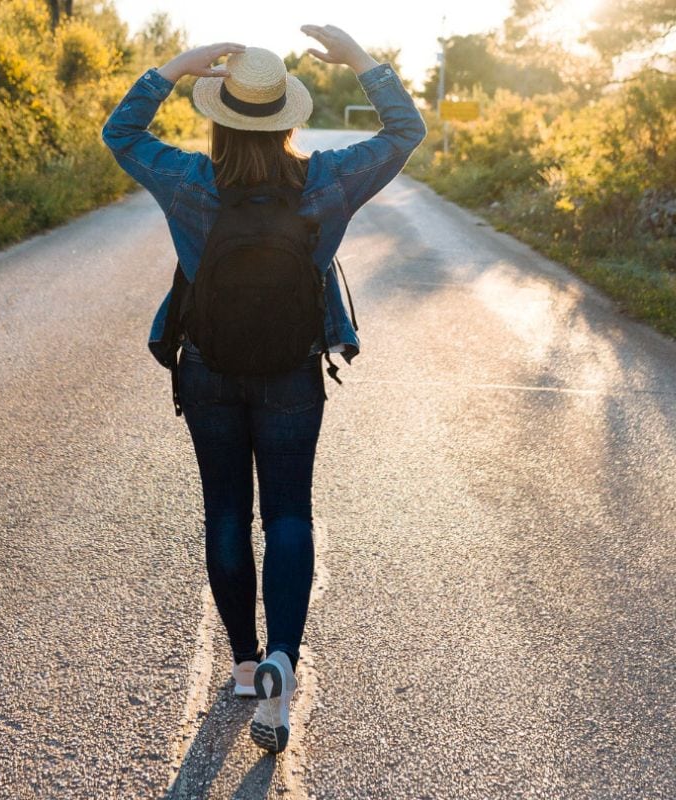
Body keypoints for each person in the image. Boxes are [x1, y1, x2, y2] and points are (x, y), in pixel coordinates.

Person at [101, 24, 426, 753]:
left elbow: (119, 134)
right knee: (288, 513)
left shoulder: (188, 180)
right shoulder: (327, 179)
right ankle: (283, 657)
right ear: (288, 116)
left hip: (209, 366)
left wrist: (173, 69)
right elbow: (407, 130)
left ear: (220, 117)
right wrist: (361, 59)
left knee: (224, 510)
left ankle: (246, 667)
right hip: (291, 371)